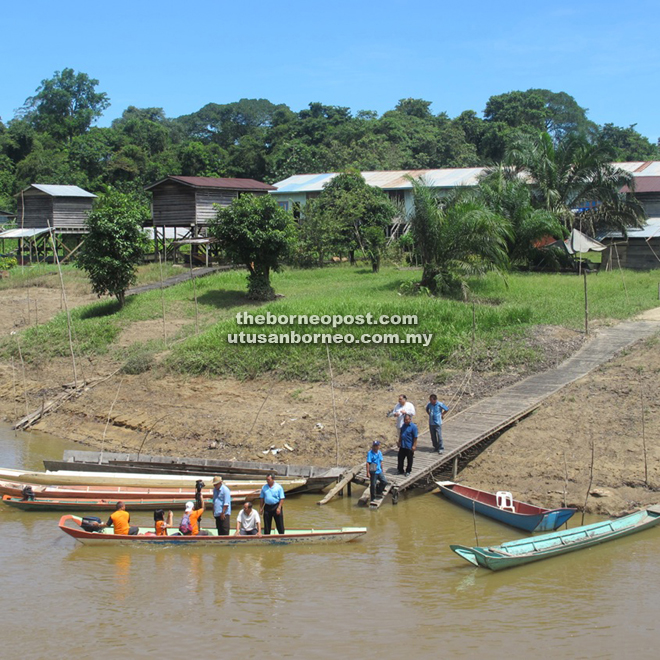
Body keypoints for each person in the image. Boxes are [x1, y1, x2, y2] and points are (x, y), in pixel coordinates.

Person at [367, 440, 388, 504]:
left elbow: (381, 461)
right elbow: (368, 463)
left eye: (376, 446)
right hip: (373, 470)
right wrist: (367, 472)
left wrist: (382, 469)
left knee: (384, 482)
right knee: (373, 485)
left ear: (379, 446)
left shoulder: (379, 453)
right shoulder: (370, 453)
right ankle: (373, 498)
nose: (375, 447)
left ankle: (379, 490)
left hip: (379, 470)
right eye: (374, 446)